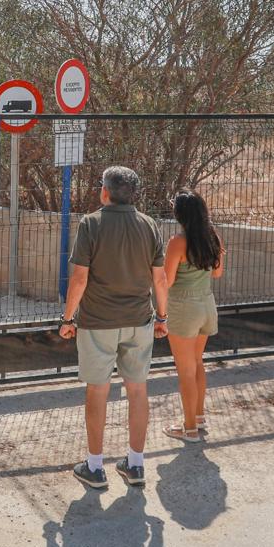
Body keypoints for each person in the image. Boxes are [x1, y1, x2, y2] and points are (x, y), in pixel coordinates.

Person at [59, 166, 168, 489]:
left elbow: (79, 278)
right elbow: (159, 279)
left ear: (104, 191)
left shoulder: (91, 224)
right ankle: (135, 464)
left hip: (98, 321)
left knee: (97, 390)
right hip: (139, 320)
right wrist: (162, 317)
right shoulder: (148, 225)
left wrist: (68, 319)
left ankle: (94, 467)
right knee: (138, 389)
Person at [162, 190, 225, 444]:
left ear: (181, 214)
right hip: (207, 304)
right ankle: (198, 417)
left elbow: (167, 281)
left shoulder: (177, 242)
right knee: (197, 363)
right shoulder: (213, 237)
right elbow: (217, 273)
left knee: (185, 370)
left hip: (184, 308)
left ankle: (188, 429)